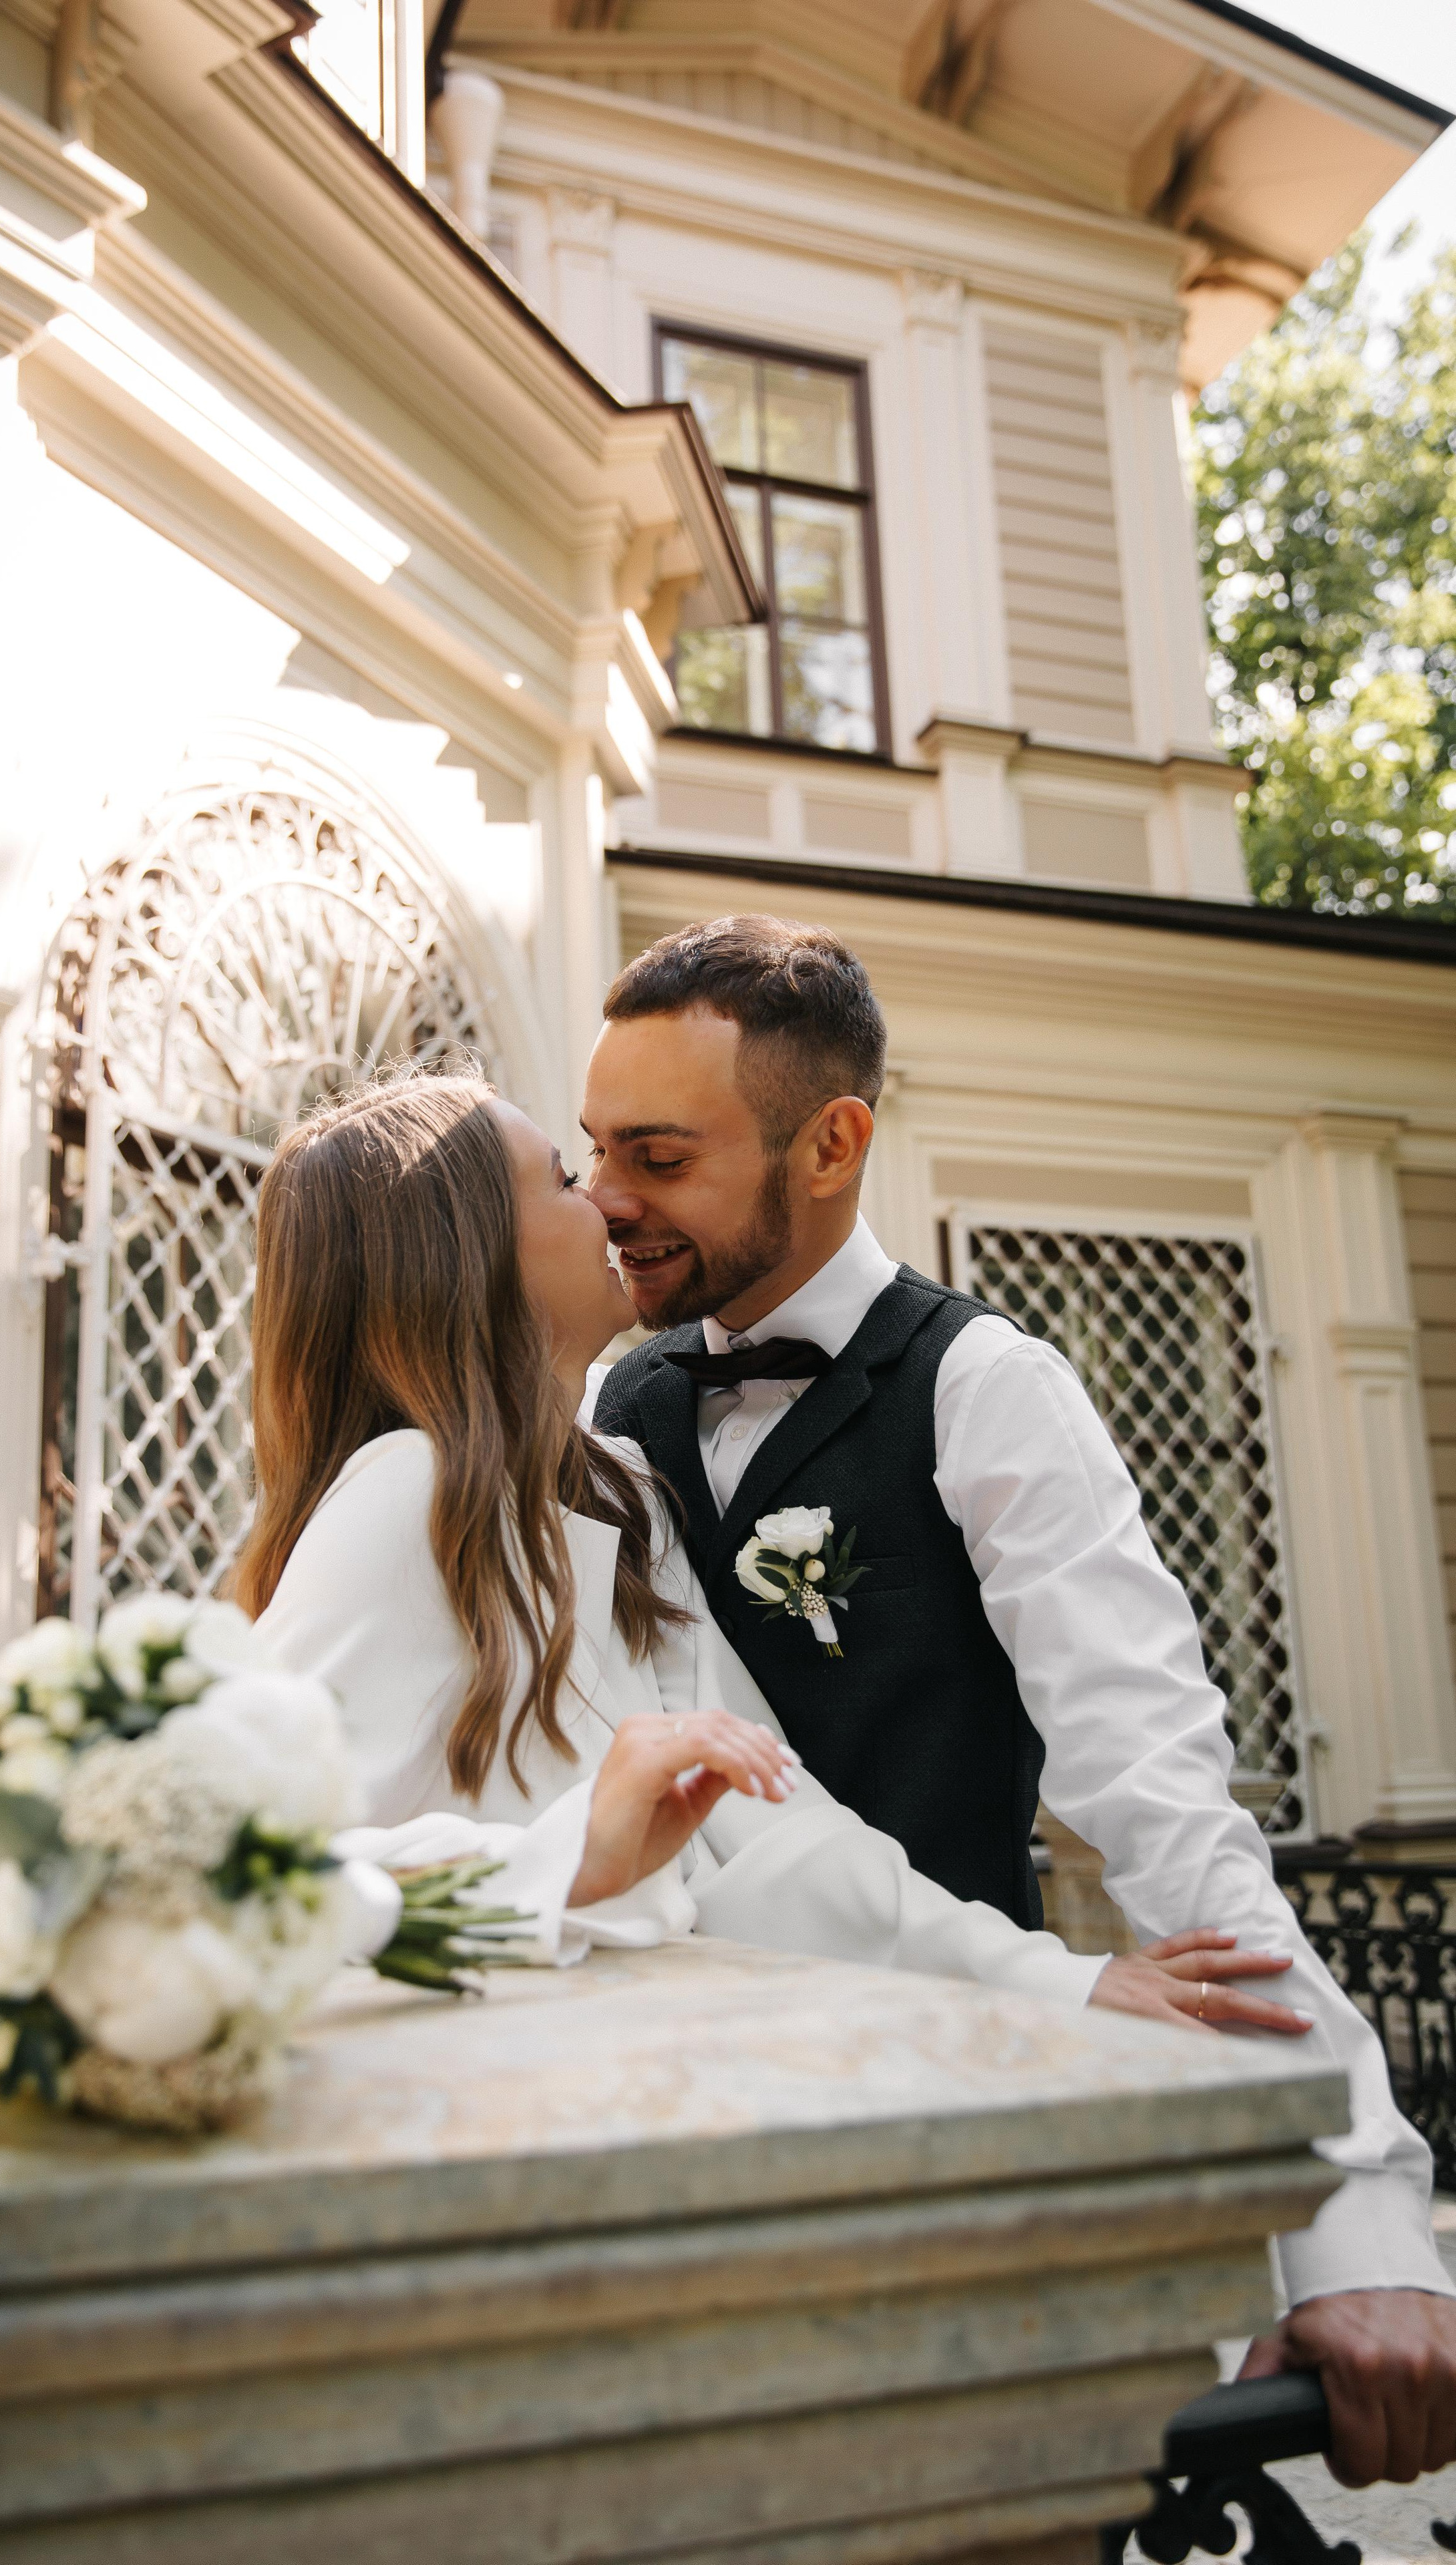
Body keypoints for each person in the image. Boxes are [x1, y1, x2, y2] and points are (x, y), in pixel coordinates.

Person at [584, 912, 1456, 2491]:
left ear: (832, 1142)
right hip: (667, 2133)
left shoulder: (986, 1390)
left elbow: (1163, 1801)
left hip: (948, 2123)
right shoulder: (612, 1400)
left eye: (653, 1153)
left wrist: (1355, 2211)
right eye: (590, 1152)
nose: (604, 1202)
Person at [234, 1074, 1306, 2040]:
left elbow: (773, 1823)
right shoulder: (407, 1500)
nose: (608, 1202)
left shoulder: (623, 1499)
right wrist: (565, 1865)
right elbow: (235, 1877)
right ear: (464, 1260)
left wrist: (1053, 1981)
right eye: (565, 1179)